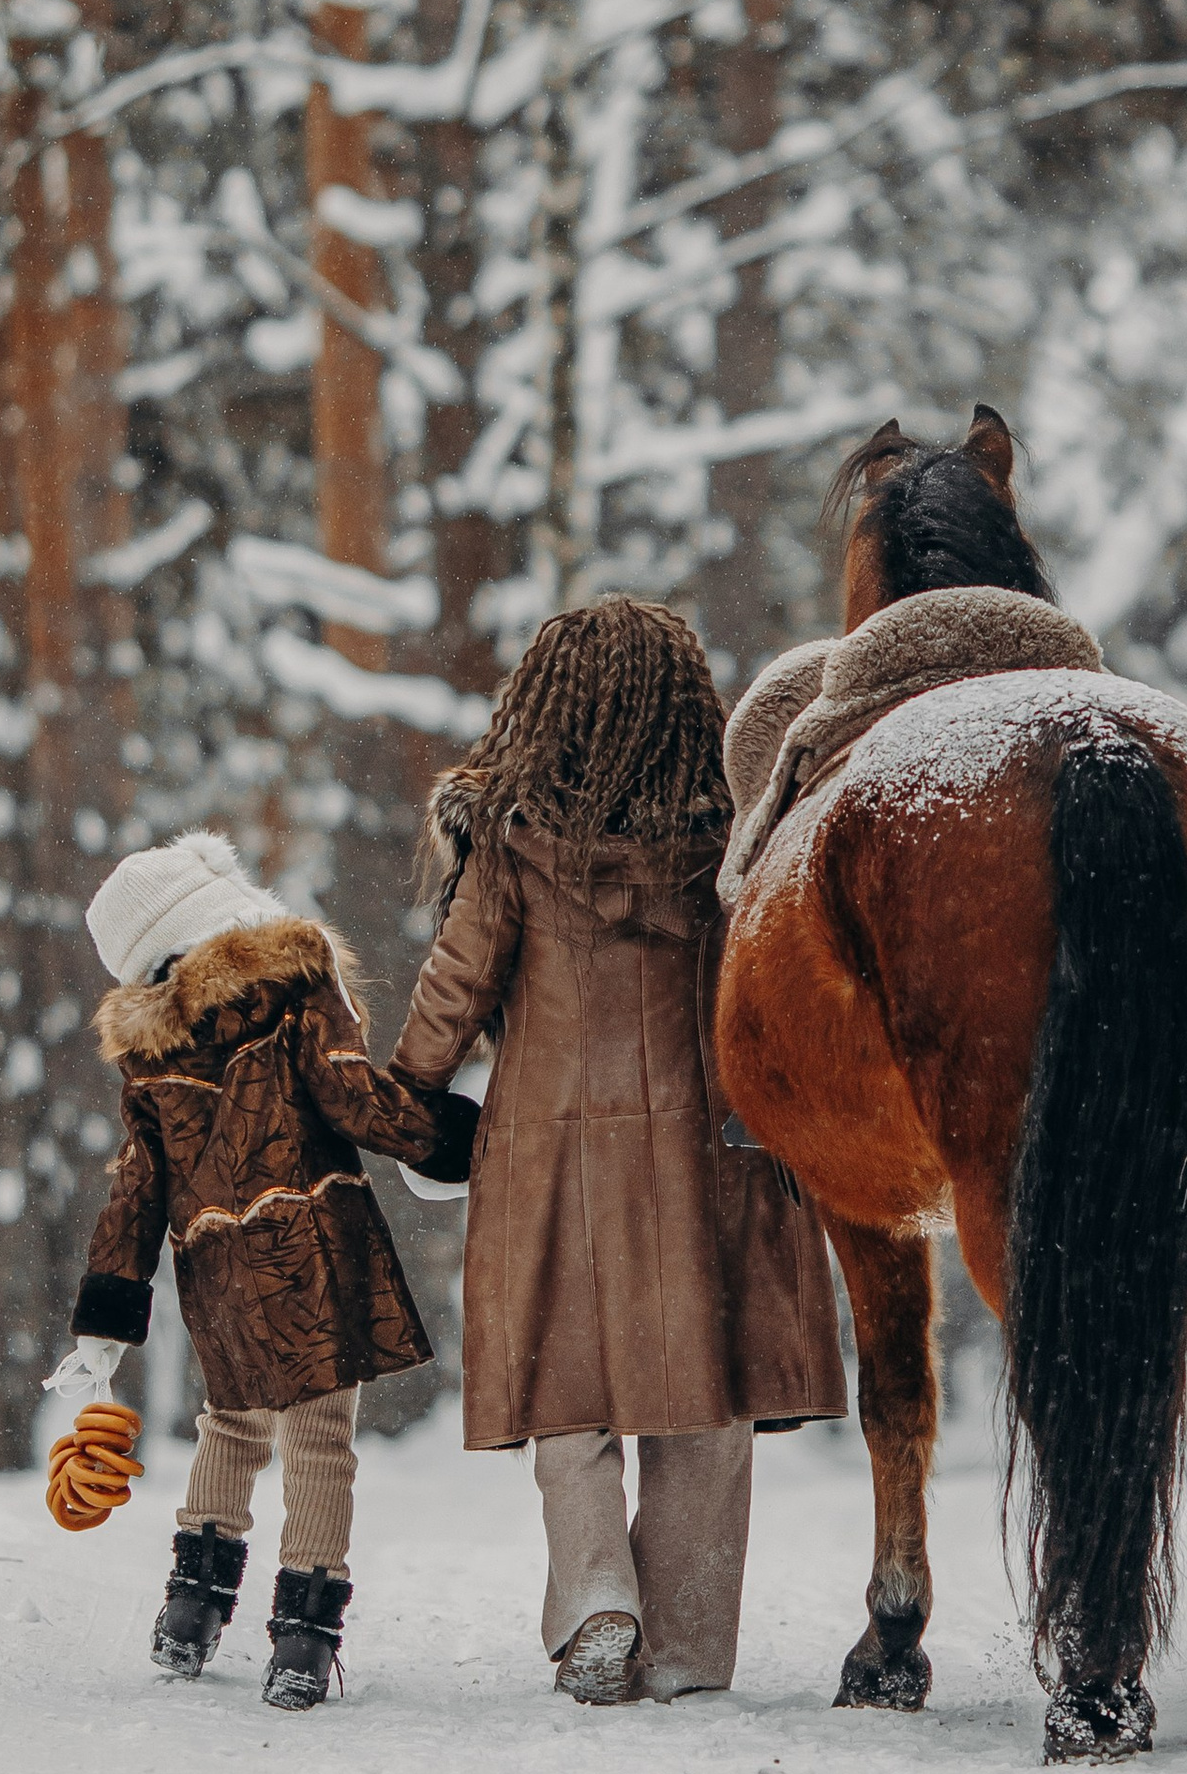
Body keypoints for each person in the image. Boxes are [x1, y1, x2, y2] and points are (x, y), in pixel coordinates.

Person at [387, 596, 846, 1704]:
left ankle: (599, 1596)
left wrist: (407, 1103)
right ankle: (683, 1646)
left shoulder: (510, 839)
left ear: (539, 706)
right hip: (711, 1148)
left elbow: (455, 986)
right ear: (691, 707)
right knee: (707, 1392)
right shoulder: (736, 838)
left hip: (554, 1148)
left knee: (569, 1389)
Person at [48, 829, 473, 1708]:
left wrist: (106, 1316)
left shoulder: (152, 1054)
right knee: (320, 1439)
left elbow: (136, 1191)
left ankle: (190, 1611)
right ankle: (303, 1643)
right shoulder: (296, 985)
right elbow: (353, 1096)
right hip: (314, 1249)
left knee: (231, 1427)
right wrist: (453, 1140)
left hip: (220, 1272)